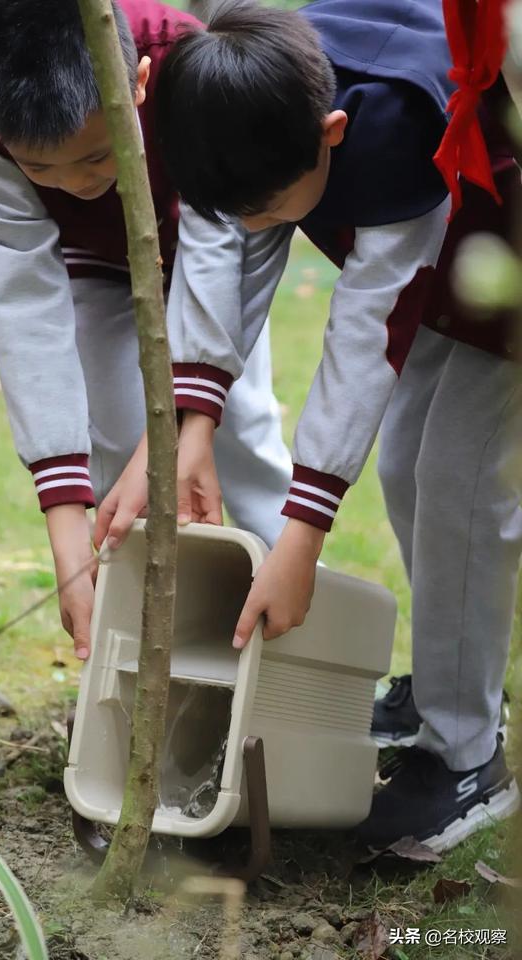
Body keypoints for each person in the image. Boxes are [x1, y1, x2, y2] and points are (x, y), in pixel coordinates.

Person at [102, 0, 522, 851]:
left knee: (458, 478)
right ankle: (448, 684)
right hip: (456, 258)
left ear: (332, 132)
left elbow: (367, 335)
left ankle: (468, 756)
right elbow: (230, 246)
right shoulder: (246, 92)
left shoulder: (399, 133)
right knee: (409, 462)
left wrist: (300, 541)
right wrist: (185, 427)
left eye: (270, 206)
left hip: (502, 251)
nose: (259, 221)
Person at [0, 0, 292, 663]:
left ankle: (280, 636)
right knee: (116, 448)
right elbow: (26, 312)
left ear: (135, 82)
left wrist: (183, 421)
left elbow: (218, 248)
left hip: (204, 265)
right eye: (42, 169)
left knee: (241, 431)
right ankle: (146, 664)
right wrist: (64, 525)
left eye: (94, 157)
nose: (75, 184)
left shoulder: (190, 68)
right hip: (93, 266)